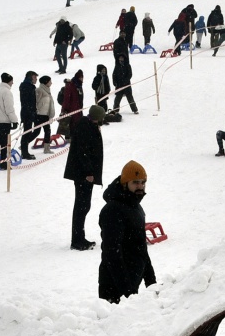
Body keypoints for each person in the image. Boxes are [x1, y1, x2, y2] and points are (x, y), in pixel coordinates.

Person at [97, 161, 155, 302]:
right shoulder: (113, 210)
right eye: (135, 182)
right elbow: (112, 254)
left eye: (143, 182)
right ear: (125, 183)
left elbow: (141, 247)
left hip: (131, 282)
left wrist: (151, 282)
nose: (140, 186)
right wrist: (128, 294)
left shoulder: (135, 207)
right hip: (115, 287)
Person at [65, 106, 104, 250]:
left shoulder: (88, 125)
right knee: (81, 206)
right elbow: (83, 152)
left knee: (83, 206)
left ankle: (80, 237)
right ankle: (77, 240)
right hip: (83, 175)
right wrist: (88, 173)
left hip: (84, 174)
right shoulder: (85, 127)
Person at [0, 72, 18, 166]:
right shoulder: (7, 92)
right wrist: (14, 120)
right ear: (9, 81)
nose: (12, 83)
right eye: (12, 81)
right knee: (5, 142)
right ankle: (3, 161)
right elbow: (9, 108)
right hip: (5, 121)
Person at [18, 71, 40, 159]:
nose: (36, 79)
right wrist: (30, 112)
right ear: (31, 77)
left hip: (30, 112)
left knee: (31, 131)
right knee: (26, 132)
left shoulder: (29, 86)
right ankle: (24, 152)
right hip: (27, 113)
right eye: (35, 77)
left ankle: (24, 150)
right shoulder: (26, 87)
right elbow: (27, 102)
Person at [57, 71, 84, 139]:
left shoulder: (79, 85)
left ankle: (74, 137)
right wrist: (65, 110)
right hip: (71, 109)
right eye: (80, 77)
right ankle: (70, 138)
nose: (82, 79)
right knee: (71, 124)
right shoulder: (70, 85)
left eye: (82, 77)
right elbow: (66, 99)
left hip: (78, 109)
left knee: (77, 124)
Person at [35, 75, 55, 148]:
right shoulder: (39, 90)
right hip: (39, 115)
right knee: (36, 132)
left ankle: (47, 148)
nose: (51, 83)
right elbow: (35, 102)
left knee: (47, 131)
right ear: (46, 82)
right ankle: (24, 144)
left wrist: (50, 115)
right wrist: (37, 112)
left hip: (46, 115)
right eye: (50, 81)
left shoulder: (47, 91)